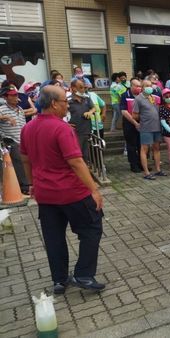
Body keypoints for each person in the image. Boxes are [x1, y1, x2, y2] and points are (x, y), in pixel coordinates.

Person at [20, 85, 106, 294]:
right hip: (71, 191)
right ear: (53, 104)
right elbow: (76, 161)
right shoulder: (62, 128)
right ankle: (83, 274)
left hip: (45, 193)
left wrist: (32, 183)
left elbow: (25, 159)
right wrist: (93, 189)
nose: (67, 106)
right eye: (64, 102)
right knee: (91, 228)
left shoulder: (28, 128)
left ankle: (59, 279)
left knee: (54, 237)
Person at [133, 80, 166, 180]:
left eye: (150, 85)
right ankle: (146, 172)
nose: (149, 87)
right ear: (142, 87)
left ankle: (158, 169)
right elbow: (134, 115)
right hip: (146, 128)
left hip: (157, 127)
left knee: (156, 148)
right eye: (147, 85)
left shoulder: (153, 98)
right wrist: (143, 120)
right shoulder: (138, 99)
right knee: (144, 149)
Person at [0, 85, 30, 194]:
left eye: (16, 95)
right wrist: (6, 117)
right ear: (6, 97)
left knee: (29, 159)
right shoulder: (2, 109)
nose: (15, 97)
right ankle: (25, 186)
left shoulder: (20, 109)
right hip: (10, 141)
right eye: (12, 95)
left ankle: (29, 183)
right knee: (19, 159)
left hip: (22, 139)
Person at [68, 79, 95, 163]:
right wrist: (66, 125)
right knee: (76, 155)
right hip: (75, 132)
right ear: (74, 88)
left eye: (84, 87)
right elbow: (60, 115)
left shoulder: (86, 98)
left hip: (86, 130)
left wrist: (90, 112)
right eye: (81, 87)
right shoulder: (68, 101)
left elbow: (94, 108)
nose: (83, 89)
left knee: (86, 154)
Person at [120, 79, 143, 172]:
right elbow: (124, 111)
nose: (139, 88)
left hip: (142, 124)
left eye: (140, 86)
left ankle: (142, 164)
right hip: (129, 124)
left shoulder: (142, 96)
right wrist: (135, 123)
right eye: (137, 86)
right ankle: (133, 165)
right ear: (131, 86)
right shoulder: (125, 95)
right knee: (132, 146)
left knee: (141, 145)